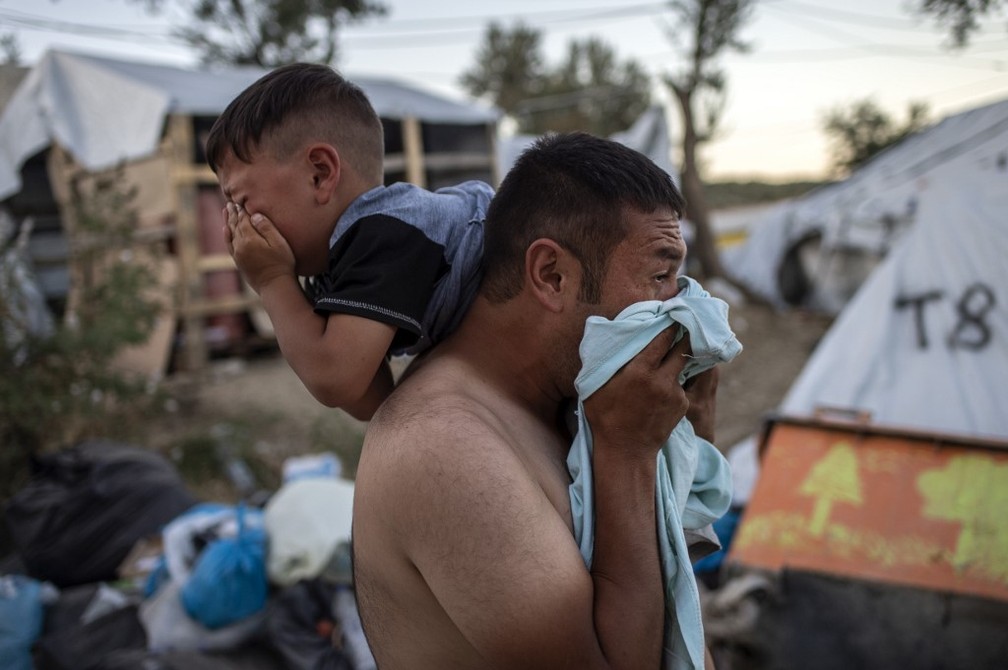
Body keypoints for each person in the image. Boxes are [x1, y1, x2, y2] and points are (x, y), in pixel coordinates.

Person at [352, 132, 728, 669]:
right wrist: (626, 454)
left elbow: (662, 581)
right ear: (552, 275)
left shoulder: (572, 397)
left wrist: (691, 430)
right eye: (660, 277)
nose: (680, 306)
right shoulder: (443, 447)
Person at [204, 63, 493, 420]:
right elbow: (370, 399)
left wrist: (271, 281)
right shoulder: (336, 264)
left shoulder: (385, 231)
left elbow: (336, 378)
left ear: (320, 174)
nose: (236, 226)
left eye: (242, 203)